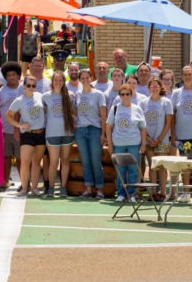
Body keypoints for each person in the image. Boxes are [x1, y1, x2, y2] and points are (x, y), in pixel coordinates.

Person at [106, 82, 147, 202]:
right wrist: (109, 144)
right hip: (118, 144)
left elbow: (143, 128)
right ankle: (121, 193)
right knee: (120, 170)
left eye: (127, 94)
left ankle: (132, 195)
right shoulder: (114, 109)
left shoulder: (137, 109)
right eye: (122, 94)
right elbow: (109, 126)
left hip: (134, 144)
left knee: (134, 170)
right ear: (119, 95)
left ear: (131, 94)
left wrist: (143, 144)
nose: (125, 96)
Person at [171, 65, 192, 202]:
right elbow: (172, 115)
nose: (187, 77)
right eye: (184, 74)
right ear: (182, 76)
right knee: (185, 165)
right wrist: (174, 135)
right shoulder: (176, 93)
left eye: (189, 74)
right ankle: (185, 192)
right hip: (182, 135)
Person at [7, 74, 46, 196]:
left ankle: (34, 188)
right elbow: (8, 115)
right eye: (28, 85)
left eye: (33, 85)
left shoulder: (41, 96)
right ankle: (24, 187)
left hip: (40, 133)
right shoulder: (19, 100)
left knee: (36, 162)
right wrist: (19, 126)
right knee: (25, 162)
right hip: (27, 135)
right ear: (24, 86)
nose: (31, 87)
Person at [74, 68, 107, 198]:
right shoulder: (77, 94)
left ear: (91, 78)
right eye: (82, 78)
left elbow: (103, 116)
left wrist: (103, 134)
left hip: (95, 130)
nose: (85, 80)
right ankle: (88, 188)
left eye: (87, 77)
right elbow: (75, 112)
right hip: (81, 131)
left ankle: (99, 189)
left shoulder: (99, 94)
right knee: (85, 161)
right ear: (80, 80)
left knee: (96, 161)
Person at [43, 71, 75, 196]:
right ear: (52, 82)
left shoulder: (70, 95)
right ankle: (51, 188)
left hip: (67, 132)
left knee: (65, 161)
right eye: (55, 80)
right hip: (52, 133)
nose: (58, 83)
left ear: (64, 81)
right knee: (54, 162)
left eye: (60, 80)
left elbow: (75, 113)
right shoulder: (45, 96)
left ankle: (63, 188)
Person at [141, 77, 173, 199]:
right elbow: (142, 123)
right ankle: (154, 191)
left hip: (162, 140)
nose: (154, 88)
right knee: (152, 166)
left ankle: (163, 192)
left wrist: (160, 138)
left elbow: (168, 122)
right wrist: (148, 138)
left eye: (157, 86)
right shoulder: (144, 102)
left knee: (162, 167)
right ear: (148, 88)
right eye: (152, 86)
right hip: (149, 140)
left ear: (161, 88)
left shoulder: (166, 102)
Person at [0, 61, 24, 187]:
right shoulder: (1, 90)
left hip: (20, 130)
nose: (11, 77)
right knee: (6, 157)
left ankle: (24, 183)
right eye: (9, 75)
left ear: (18, 75)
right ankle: (5, 181)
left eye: (14, 74)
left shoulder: (23, 88)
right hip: (5, 130)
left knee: (20, 159)